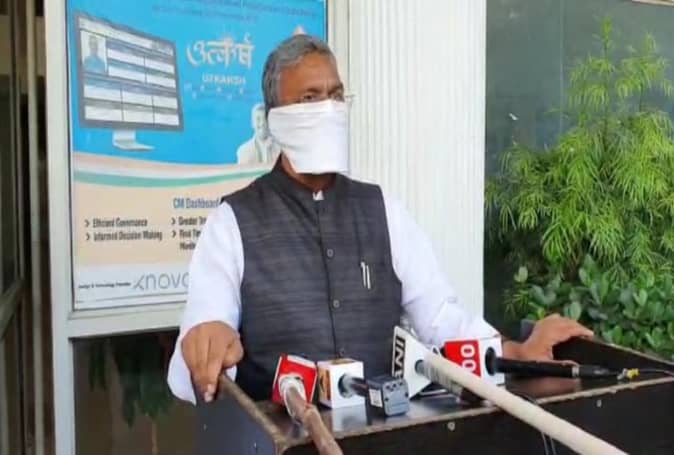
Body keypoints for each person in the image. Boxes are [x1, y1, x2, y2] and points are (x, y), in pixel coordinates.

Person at [167, 35, 593, 404]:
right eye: (310, 98)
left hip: (382, 437)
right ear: (274, 118)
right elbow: (192, 367)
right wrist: (205, 346)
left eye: (336, 95)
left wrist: (519, 353)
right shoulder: (232, 223)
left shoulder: (382, 209)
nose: (329, 109)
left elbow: (443, 320)